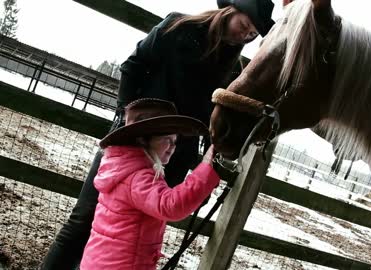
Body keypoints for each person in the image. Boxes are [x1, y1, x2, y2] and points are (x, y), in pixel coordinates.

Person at [41, 0, 274, 268]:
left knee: (141, 233)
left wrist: (205, 167)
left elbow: (215, 119)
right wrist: (125, 116)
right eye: (243, 25)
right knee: (84, 219)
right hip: (134, 140)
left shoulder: (232, 70)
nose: (243, 35)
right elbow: (133, 66)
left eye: (250, 35)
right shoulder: (177, 27)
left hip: (173, 155)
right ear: (230, 11)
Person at [79, 98, 220, 269]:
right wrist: (205, 169)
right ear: (143, 140)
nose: (172, 147)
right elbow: (170, 205)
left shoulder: (123, 167)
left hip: (101, 261)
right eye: (166, 139)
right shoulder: (138, 176)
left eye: (175, 142)